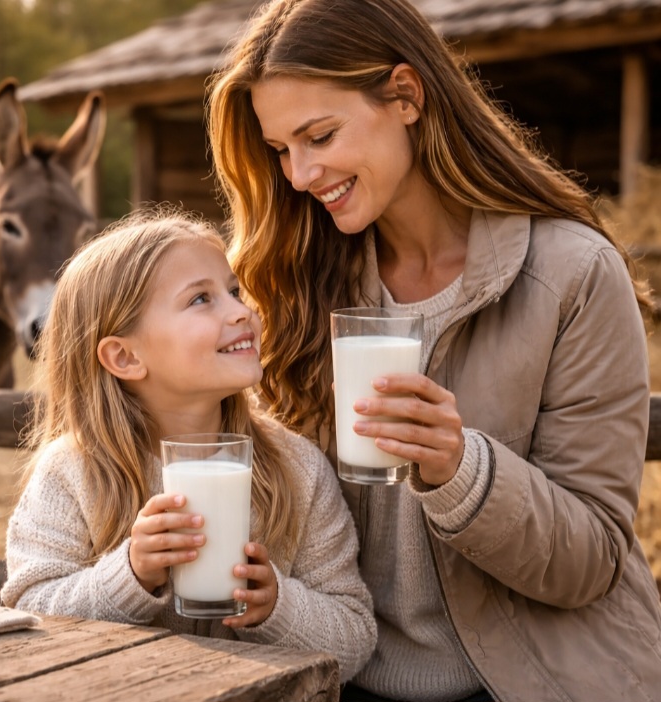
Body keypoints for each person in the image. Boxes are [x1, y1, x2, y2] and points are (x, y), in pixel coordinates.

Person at [205, 0, 661, 701]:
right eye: (280, 150)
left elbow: (592, 558)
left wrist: (461, 468)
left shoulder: (573, 274)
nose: (298, 174)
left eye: (319, 136)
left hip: (530, 683)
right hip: (341, 672)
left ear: (406, 96)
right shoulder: (296, 282)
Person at [1, 210, 377, 680]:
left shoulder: (298, 470)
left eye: (233, 291)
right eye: (201, 298)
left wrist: (277, 607)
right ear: (125, 356)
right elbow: (29, 617)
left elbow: (355, 637)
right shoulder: (72, 472)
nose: (241, 311)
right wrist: (130, 576)